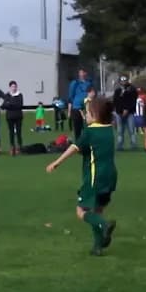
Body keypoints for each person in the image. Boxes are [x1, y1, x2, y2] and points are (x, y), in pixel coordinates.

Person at [46, 97, 117, 257]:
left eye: (88, 113)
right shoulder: (108, 130)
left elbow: (74, 148)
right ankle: (97, 246)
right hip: (110, 177)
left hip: (94, 178)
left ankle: (104, 225)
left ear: (95, 115)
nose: (85, 116)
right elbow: (92, 148)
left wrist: (56, 163)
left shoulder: (90, 132)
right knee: (97, 210)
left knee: (81, 211)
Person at [113, 75, 138, 151]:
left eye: (125, 80)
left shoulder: (132, 90)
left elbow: (133, 101)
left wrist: (127, 109)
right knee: (120, 131)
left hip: (130, 113)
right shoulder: (117, 91)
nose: (123, 82)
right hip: (119, 113)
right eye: (122, 81)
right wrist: (118, 111)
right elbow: (115, 102)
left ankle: (133, 145)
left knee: (131, 130)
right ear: (120, 82)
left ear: (127, 81)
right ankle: (120, 145)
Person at [67, 68, 93, 139]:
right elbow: (70, 97)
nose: (81, 74)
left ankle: (87, 142)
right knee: (77, 129)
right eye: (80, 72)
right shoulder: (74, 83)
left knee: (87, 128)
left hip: (87, 108)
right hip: (76, 108)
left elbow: (92, 94)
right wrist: (69, 110)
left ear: (85, 73)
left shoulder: (89, 83)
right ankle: (78, 142)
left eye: (83, 72)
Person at [1, 81, 24, 155]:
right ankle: (12, 147)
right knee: (11, 132)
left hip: (18, 116)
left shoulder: (19, 95)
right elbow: (3, 106)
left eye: (15, 86)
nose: (14, 88)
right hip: (9, 117)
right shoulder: (7, 95)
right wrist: (10, 104)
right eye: (12, 87)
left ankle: (20, 147)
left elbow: (19, 105)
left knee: (18, 132)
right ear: (10, 87)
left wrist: (9, 104)